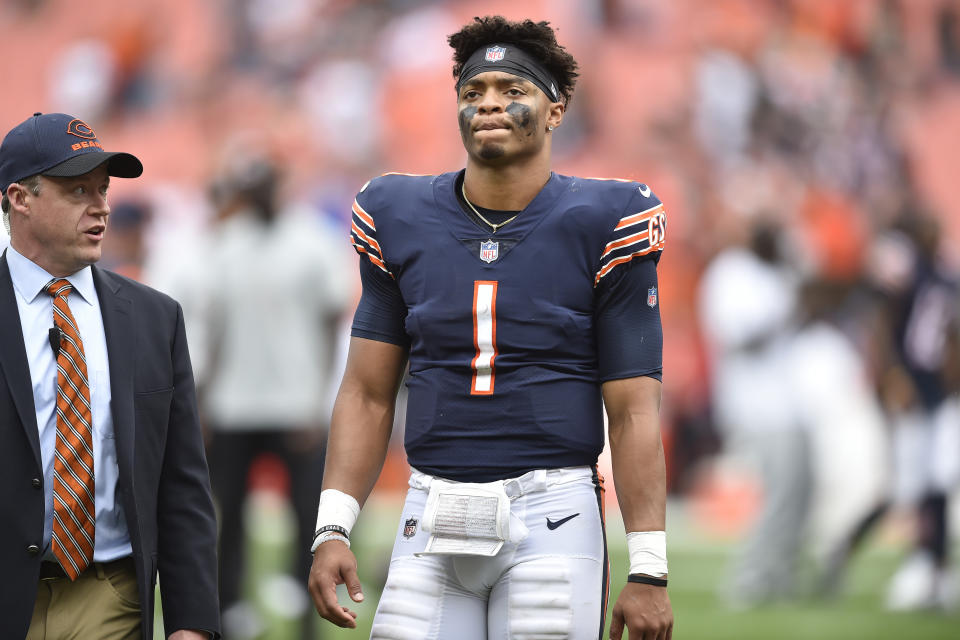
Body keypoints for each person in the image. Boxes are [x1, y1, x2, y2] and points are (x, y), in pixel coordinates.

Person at [308, 16, 673, 640]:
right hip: (429, 507)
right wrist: (332, 526)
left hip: (553, 512)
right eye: (473, 92)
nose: (490, 103)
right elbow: (368, 391)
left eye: (512, 88)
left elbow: (634, 411)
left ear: (555, 110)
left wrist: (650, 570)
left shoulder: (607, 219)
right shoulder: (398, 213)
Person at [0, 112, 220, 639]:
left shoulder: (154, 318)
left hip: (111, 593)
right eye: (78, 191)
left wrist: (191, 623)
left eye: (102, 189)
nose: (101, 206)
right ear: (19, 198)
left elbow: (183, 482)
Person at [197, 148, 351, 639]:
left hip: (294, 403)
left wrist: (317, 398)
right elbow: (214, 329)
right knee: (229, 518)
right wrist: (204, 400)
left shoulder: (312, 240)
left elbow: (331, 323)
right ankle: (229, 612)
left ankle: (308, 615)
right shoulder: (227, 243)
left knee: (308, 516)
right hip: (235, 403)